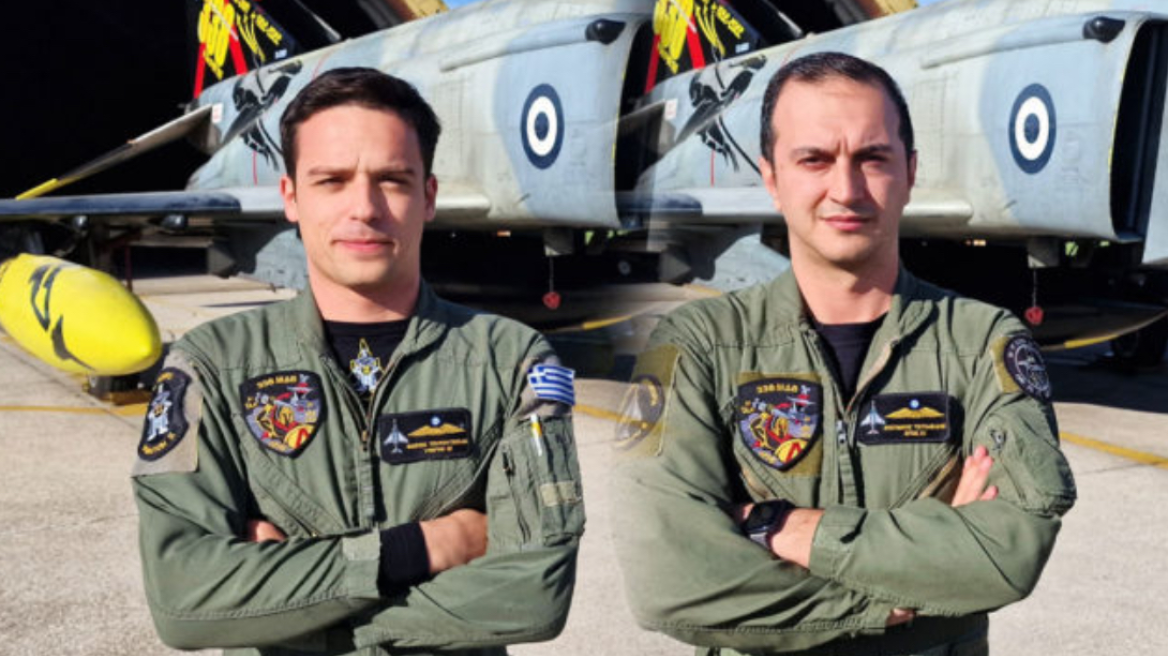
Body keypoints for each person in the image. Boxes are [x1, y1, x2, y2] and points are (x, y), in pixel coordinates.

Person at [613, 52, 1076, 656]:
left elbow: (1005, 552)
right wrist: (900, 597)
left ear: (910, 172)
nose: (846, 189)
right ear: (771, 177)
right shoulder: (698, 346)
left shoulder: (982, 342)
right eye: (815, 159)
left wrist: (775, 527)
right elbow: (668, 579)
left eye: (872, 158)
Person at [132, 68, 584, 656]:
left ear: (428, 196)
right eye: (332, 181)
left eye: (392, 180)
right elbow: (185, 601)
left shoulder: (511, 362)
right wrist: (423, 547)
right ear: (291, 197)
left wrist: (286, 600)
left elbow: (533, 595)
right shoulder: (212, 367)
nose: (364, 208)